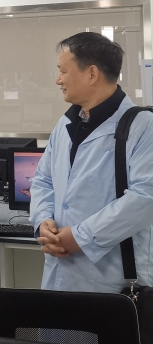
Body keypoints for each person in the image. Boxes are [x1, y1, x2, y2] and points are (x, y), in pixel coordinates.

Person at [30, 32, 153, 292]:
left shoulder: (143, 126)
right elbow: (43, 180)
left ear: (92, 74)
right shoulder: (65, 124)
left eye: (63, 71)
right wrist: (43, 221)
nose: (58, 80)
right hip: (59, 272)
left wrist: (81, 237)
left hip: (111, 281)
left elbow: (145, 196)